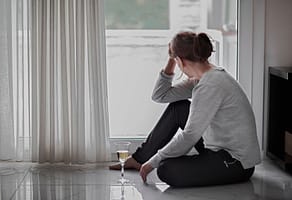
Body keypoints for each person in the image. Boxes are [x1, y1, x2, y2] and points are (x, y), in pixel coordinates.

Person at [109, 31, 261, 187]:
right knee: (178, 108)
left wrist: (154, 161)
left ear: (180, 60)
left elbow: (190, 135)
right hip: (216, 148)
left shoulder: (211, 84)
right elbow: (160, 95)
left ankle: (151, 161)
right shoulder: (203, 78)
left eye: (175, 60)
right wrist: (172, 58)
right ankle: (139, 159)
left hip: (236, 162)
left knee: (165, 169)